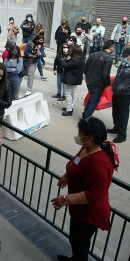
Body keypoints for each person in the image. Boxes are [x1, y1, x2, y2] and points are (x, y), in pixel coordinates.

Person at [51, 117, 118, 261]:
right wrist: (67, 175)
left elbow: (94, 195)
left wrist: (64, 199)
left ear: (90, 137)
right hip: (79, 209)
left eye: (80, 132)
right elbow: (77, 162)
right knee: (75, 240)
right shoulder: (87, 148)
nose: (78, 136)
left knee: (80, 244)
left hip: (89, 214)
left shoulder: (98, 163)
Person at [82, 40, 115, 120]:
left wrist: (88, 78)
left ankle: (85, 114)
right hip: (99, 84)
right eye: (114, 48)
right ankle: (86, 118)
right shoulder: (108, 58)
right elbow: (105, 74)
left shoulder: (93, 54)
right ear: (110, 48)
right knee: (94, 101)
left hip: (89, 82)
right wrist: (107, 84)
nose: (114, 49)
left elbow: (85, 68)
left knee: (92, 98)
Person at [108, 46, 130, 143]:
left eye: (126, 56)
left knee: (123, 115)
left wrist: (123, 89)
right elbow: (118, 76)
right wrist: (114, 86)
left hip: (125, 95)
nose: (124, 57)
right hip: (116, 92)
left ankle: (122, 135)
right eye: (123, 55)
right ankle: (116, 128)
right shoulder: (123, 64)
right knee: (115, 112)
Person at [61, 45, 85, 116]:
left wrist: (65, 59)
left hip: (72, 79)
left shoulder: (74, 60)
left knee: (68, 93)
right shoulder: (81, 59)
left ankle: (69, 110)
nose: (69, 50)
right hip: (76, 79)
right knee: (72, 93)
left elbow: (65, 65)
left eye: (70, 50)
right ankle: (71, 107)